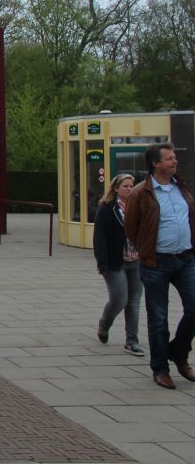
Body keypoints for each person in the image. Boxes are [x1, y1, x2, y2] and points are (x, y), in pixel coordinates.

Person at [124, 142, 195, 390]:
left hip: (186, 259)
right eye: (169, 158)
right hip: (156, 262)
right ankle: (160, 369)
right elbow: (131, 227)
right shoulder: (141, 192)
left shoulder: (181, 187)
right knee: (158, 318)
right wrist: (145, 251)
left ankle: (178, 351)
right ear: (155, 163)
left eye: (174, 157)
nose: (175, 161)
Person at [94, 173, 143, 356]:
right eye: (126, 186)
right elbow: (100, 237)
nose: (130, 189)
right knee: (119, 299)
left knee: (134, 301)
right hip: (116, 262)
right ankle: (104, 324)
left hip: (137, 260)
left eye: (132, 186)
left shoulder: (139, 207)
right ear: (116, 188)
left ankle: (132, 341)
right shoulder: (107, 209)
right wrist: (102, 262)